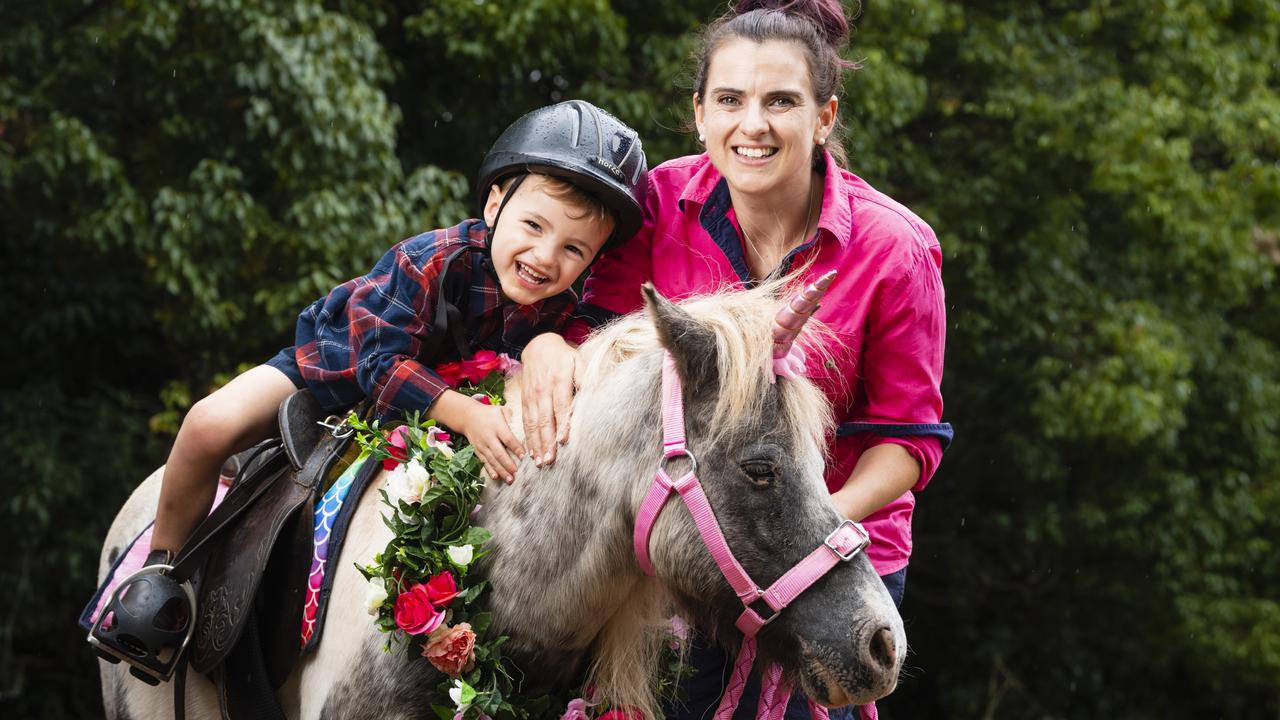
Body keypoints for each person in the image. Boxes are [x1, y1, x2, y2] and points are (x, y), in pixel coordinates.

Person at [517, 3, 950, 719]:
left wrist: (801, 532)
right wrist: (542, 347)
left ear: (824, 116)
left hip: (831, 556)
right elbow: (594, 333)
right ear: (699, 114)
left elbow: (908, 441)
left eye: (781, 101)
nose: (753, 125)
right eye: (730, 100)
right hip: (674, 556)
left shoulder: (896, 249)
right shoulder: (657, 201)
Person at [146, 99, 648, 571]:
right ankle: (159, 572)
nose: (545, 257)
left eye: (573, 250)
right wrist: (469, 413)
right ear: (495, 205)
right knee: (209, 423)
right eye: (534, 225)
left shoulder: (557, 310)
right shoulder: (430, 259)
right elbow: (378, 366)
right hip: (334, 374)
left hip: (431, 432)